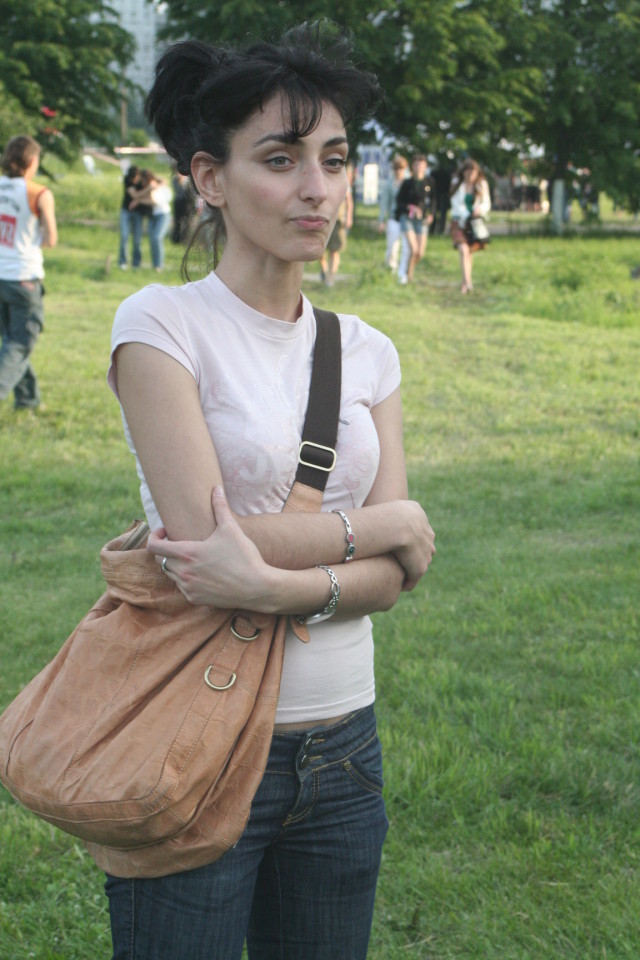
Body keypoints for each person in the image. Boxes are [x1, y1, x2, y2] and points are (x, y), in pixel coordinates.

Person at [105, 22, 435, 960]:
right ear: (210, 178)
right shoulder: (161, 325)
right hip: (196, 745)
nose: (317, 188)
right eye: (281, 160)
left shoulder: (368, 350)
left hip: (344, 750)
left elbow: (394, 579)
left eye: (333, 159)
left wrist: (272, 586)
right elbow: (204, 537)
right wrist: (388, 522)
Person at [0, 135, 57, 409]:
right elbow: (51, 239)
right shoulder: (39, 193)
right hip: (23, 278)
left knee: (12, 341)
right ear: (32, 161)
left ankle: (28, 400)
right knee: (21, 343)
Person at [449, 157, 491, 294]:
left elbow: (486, 203)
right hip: (459, 222)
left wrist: (479, 210)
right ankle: (467, 282)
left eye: (473, 173)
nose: (470, 176)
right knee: (463, 249)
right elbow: (455, 204)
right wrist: (467, 213)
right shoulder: (457, 184)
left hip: (474, 223)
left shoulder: (481, 184)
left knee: (469, 252)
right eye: (467, 172)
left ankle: (466, 282)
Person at [394, 153, 437, 285]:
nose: (419, 167)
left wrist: (430, 213)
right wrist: (409, 207)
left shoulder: (428, 183)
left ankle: (407, 272)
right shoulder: (407, 183)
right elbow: (399, 201)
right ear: (412, 166)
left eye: (421, 165)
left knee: (420, 252)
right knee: (413, 249)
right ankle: (408, 276)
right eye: (416, 164)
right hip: (407, 218)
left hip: (421, 219)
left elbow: (432, 198)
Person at [319, 160, 354, 285]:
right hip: (323, 218)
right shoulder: (321, 179)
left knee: (335, 249)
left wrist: (349, 217)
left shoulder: (343, 182)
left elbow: (349, 201)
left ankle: (331, 277)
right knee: (319, 251)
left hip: (338, 220)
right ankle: (324, 269)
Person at [130, 170, 172, 271]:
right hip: (153, 216)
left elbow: (153, 200)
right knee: (152, 239)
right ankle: (155, 265)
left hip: (163, 214)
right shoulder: (148, 186)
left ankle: (158, 265)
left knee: (157, 237)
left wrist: (138, 201)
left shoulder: (152, 185)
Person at [377, 154, 408, 273]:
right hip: (393, 218)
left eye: (401, 168)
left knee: (406, 247)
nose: (398, 171)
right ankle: (391, 269)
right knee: (392, 247)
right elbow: (384, 203)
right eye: (396, 168)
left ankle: (403, 271)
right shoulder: (389, 184)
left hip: (406, 218)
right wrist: (381, 220)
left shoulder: (408, 182)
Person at [117, 164, 143, 270]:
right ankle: (122, 261)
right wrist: (140, 197)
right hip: (126, 210)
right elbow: (135, 195)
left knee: (137, 238)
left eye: (136, 178)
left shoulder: (143, 180)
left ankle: (136, 263)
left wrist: (138, 200)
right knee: (124, 236)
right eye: (133, 179)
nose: (134, 181)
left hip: (138, 212)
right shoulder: (127, 179)